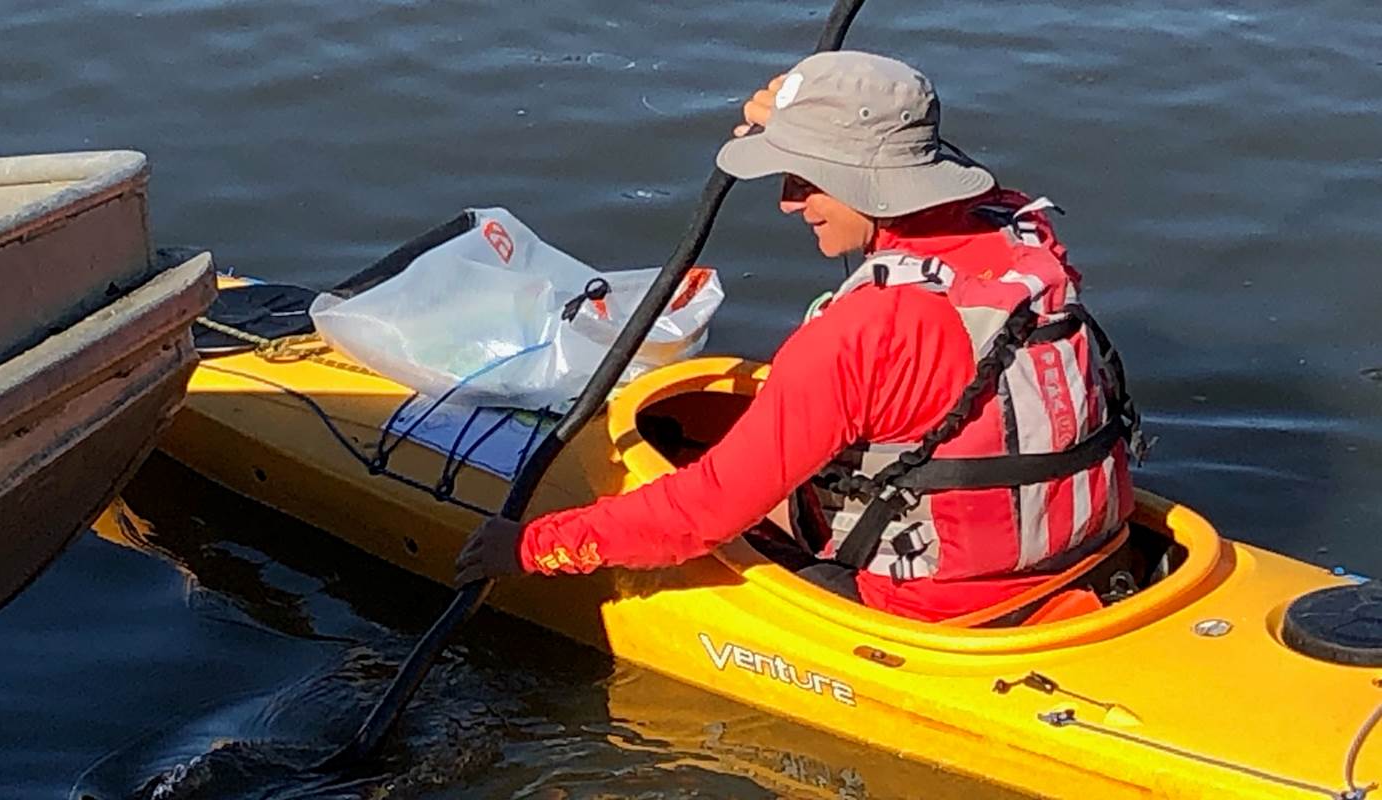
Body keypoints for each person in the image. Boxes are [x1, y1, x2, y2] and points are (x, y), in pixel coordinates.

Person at [455, 51, 1141, 622]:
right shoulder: (1021, 227)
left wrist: (531, 547)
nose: (788, 201)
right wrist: (797, 116)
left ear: (870, 185)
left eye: (809, 180)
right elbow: (922, 156)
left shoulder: (859, 335)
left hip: (937, 608)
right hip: (1088, 551)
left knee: (701, 494)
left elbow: (702, 512)